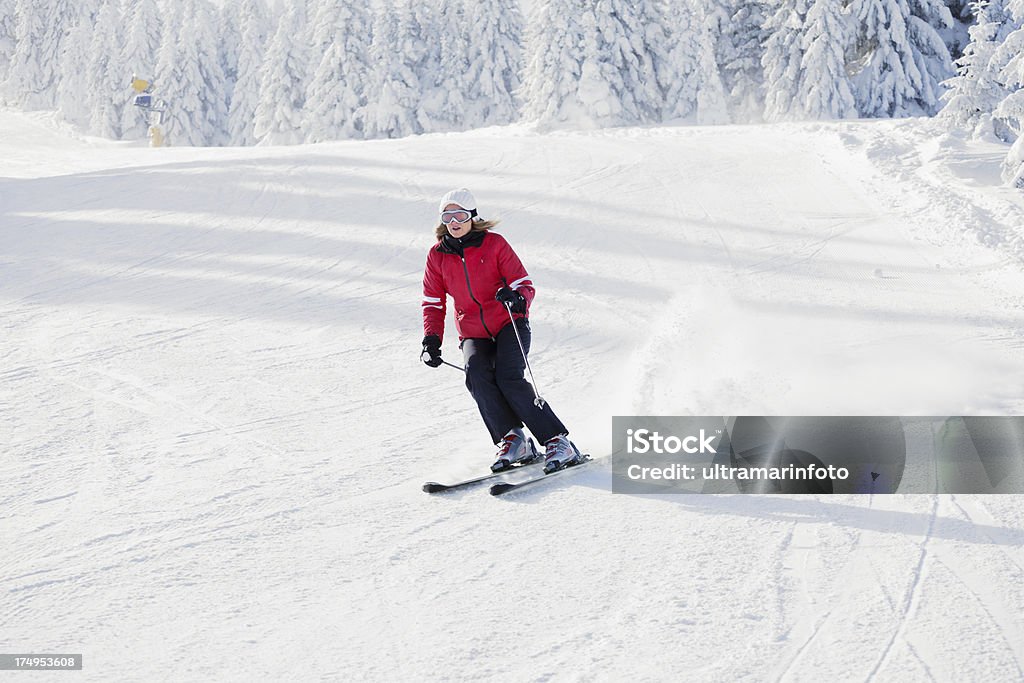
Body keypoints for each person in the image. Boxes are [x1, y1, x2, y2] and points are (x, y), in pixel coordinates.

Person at [420, 188, 580, 473]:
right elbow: (433, 301)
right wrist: (432, 339)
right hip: (472, 330)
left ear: (472, 216)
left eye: (459, 215)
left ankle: (557, 441)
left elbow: (523, 283)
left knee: (509, 378)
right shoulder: (437, 256)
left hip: (509, 322)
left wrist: (516, 298)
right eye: (447, 215)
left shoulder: (494, 244)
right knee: (477, 376)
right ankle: (512, 439)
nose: (453, 221)